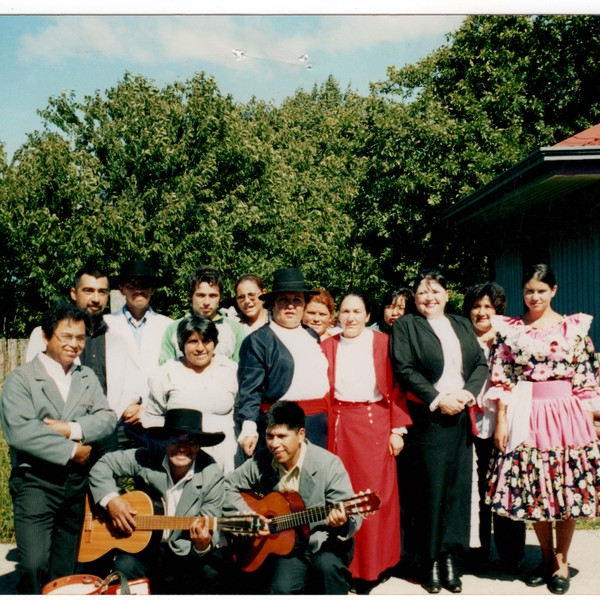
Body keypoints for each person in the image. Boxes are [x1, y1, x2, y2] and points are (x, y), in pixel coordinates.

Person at [485, 264, 600, 594]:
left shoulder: (574, 330)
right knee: (534, 487)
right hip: (526, 413)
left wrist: (590, 422)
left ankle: (562, 560)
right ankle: (545, 558)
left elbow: (586, 379)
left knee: (566, 486)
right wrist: (502, 421)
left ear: (554, 290)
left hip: (566, 414)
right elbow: (502, 377)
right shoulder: (511, 331)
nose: (534, 297)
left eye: (541, 290)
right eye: (528, 291)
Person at [0, 301, 116, 594]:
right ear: (47, 336)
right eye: (66, 336)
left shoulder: (86, 377)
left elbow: (107, 418)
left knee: (64, 572)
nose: (74, 344)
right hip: (35, 483)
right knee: (34, 565)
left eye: (80, 337)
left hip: (75, 485)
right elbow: (21, 431)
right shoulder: (22, 379)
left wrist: (72, 429)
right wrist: (72, 450)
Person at [390, 268, 488, 594]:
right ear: (414, 299)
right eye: (422, 293)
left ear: (447, 294)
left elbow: (480, 365)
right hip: (429, 420)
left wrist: (466, 393)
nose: (429, 298)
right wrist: (438, 399)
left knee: (456, 491)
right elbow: (404, 368)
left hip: (460, 416)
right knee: (429, 492)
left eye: (435, 292)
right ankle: (429, 560)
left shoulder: (461, 323)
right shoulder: (407, 326)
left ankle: (450, 558)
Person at [321, 291, 412, 590]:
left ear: (367, 316)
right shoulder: (326, 347)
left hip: (376, 425)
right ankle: (348, 565)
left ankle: (375, 567)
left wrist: (397, 430)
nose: (350, 317)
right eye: (345, 311)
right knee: (343, 496)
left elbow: (399, 387)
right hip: (341, 427)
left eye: (356, 311)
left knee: (373, 497)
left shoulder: (383, 343)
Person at [223, 401, 361, 595]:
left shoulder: (328, 464)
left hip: (324, 539)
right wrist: (250, 515)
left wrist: (342, 521)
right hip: (288, 545)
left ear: (301, 435)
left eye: (282, 436)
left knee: (326, 568)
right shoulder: (261, 460)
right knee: (281, 590)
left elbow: (353, 514)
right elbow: (228, 485)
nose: (274, 444)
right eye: (270, 436)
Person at [88, 408, 228, 594]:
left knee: (212, 573)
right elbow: (103, 465)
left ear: (199, 446)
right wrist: (112, 501)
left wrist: (202, 545)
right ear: (164, 442)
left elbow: (210, 525)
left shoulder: (211, 474)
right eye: (175, 439)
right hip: (143, 548)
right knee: (125, 566)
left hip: (183, 552)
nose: (182, 447)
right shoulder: (147, 457)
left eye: (191, 441)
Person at [25, 263, 146, 450]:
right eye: (88, 291)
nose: (96, 299)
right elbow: (35, 388)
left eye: (102, 292)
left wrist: (129, 408)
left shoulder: (118, 340)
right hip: (63, 436)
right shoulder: (46, 336)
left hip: (107, 435)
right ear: (74, 293)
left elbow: (130, 386)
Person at [463, 282, 526, 573]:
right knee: (475, 491)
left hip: (505, 423)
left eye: (488, 306)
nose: (481, 312)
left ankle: (511, 555)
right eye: (476, 306)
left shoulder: (511, 338)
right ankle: (477, 553)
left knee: (505, 487)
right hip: (470, 424)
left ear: (498, 309)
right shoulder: (461, 339)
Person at [236, 267, 331, 458]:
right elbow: (249, 390)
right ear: (272, 304)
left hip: (316, 425)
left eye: (297, 300)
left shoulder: (311, 335)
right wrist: (249, 427)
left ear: (304, 305)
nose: (290, 306)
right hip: (279, 428)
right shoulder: (258, 341)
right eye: (283, 300)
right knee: (280, 486)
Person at [143, 315, 238, 473]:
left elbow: (243, 410)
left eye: (206, 341)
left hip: (225, 451)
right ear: (182, 345)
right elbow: (152, 418)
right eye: (193, 341)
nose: (200, 348)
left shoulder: (231, 370)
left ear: (214, 343)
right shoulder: (166, 373)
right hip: (180, 453)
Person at [104, 259, 174, 388]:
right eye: (132, 285)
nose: (139, 290)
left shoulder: (169, 326)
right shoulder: (106, 324)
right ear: (121, 289)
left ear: (152, 289)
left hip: (157, 403)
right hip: (118, 404)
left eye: (145, 285)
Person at [160, 265, 245, 363]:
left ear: (220, 298)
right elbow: (166, 370)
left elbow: (242, 371)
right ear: (190, 296)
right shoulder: (174, 329)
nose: (206, 302)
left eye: (212, 296)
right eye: (201, 295)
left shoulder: (236, 330)